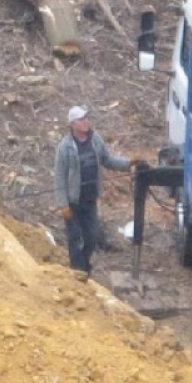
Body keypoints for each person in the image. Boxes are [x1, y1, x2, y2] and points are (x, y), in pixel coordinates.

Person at [54, 106, 138, 277]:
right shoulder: (65, 148)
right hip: (73, 201)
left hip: (90, 199)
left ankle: (83, 265)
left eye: (86, 118)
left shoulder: (95, 140)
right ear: (72, 124)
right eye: (81, 119)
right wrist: (62, 204)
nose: (85, 122)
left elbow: (107, 160)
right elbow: (59, 178)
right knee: (74, 238)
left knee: (91, 237)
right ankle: (78, 271)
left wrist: (128, 163)